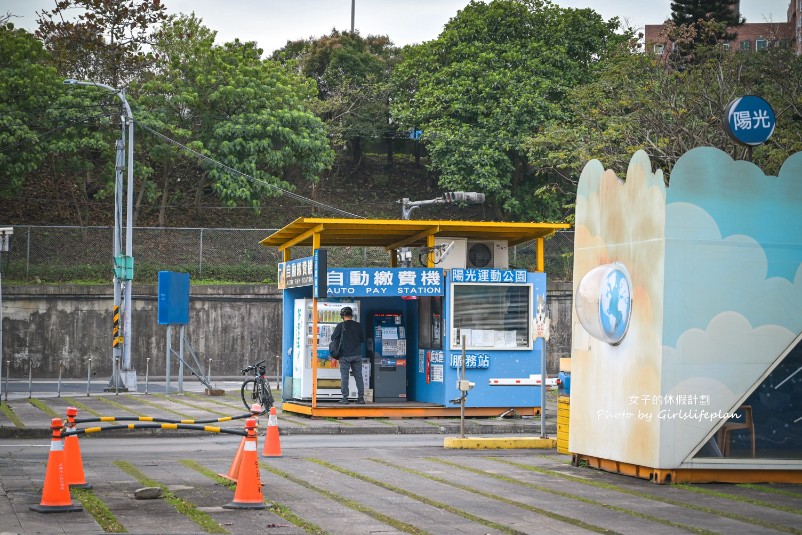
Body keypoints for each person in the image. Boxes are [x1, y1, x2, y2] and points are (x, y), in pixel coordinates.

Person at [330, 306, 365, 404]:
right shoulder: (358, 326)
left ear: (342, 316)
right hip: (357, 354)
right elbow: (362, 339)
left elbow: (333, 337)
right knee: (359, 376)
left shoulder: (341, 326)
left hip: (344, 355)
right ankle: (361, 398)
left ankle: (345, 398)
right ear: (351, 315)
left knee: (345, 377)